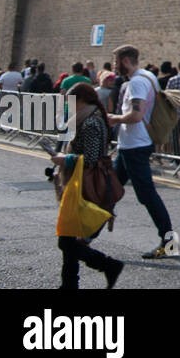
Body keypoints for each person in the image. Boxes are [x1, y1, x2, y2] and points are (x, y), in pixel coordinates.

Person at [106, 45, 178, 259]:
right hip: (130, 145)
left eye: (116, 61)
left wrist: (114, 118)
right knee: (109, 191)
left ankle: (170, 243)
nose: (114, 65)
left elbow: (136, 115)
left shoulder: (137, 82)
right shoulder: (148, 76)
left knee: (147, 196)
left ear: (126, 61)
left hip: (135, 146)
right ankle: (87, 236)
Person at [53, 82, 123, 289]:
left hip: (85, 185)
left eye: (72, 102)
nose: (70, 106)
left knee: (67, 240)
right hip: (77, 181)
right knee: (68, 235)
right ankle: (69, 285)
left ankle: (109, 265)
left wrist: (65, 160)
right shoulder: (86, 118)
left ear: (82, 101)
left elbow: (91, 158)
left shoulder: (91, 123)